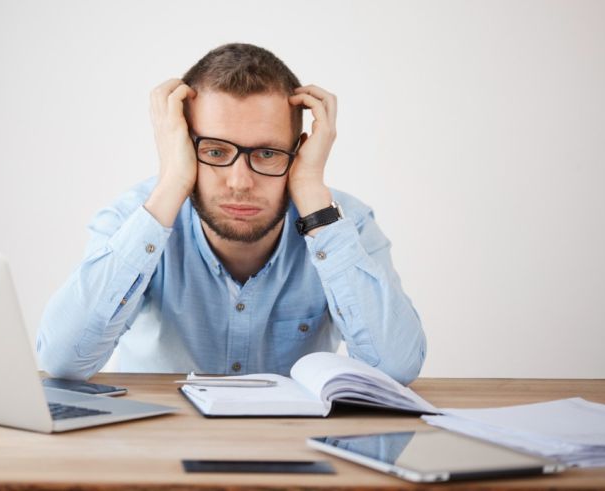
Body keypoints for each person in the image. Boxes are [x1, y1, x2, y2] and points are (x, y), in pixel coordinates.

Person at [36, 43, 426, 385]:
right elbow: (62, 362)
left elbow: (396, 368)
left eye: (268, 153)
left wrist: (310, 189)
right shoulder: (134, 218)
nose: (239, 182)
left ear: (300, 151)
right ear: (185, 147)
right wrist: (173, 180)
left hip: (294, 448)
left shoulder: (345, 224)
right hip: (159, 454)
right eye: (215, 151)